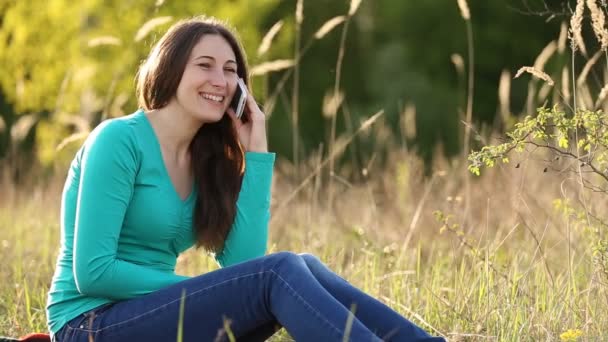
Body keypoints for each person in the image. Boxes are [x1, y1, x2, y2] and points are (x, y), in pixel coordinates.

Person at [45, 16, 445, 342]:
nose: (221, 80)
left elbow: (246, 266)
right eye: (205, 65)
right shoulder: (119, 140)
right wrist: (194, 289)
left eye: (231, 70)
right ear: (170, 68)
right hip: (89, 323)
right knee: (281, 269)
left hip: (154, 316)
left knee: (300, 264)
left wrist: (254, 156)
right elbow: (93, 271)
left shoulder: (206, 158)